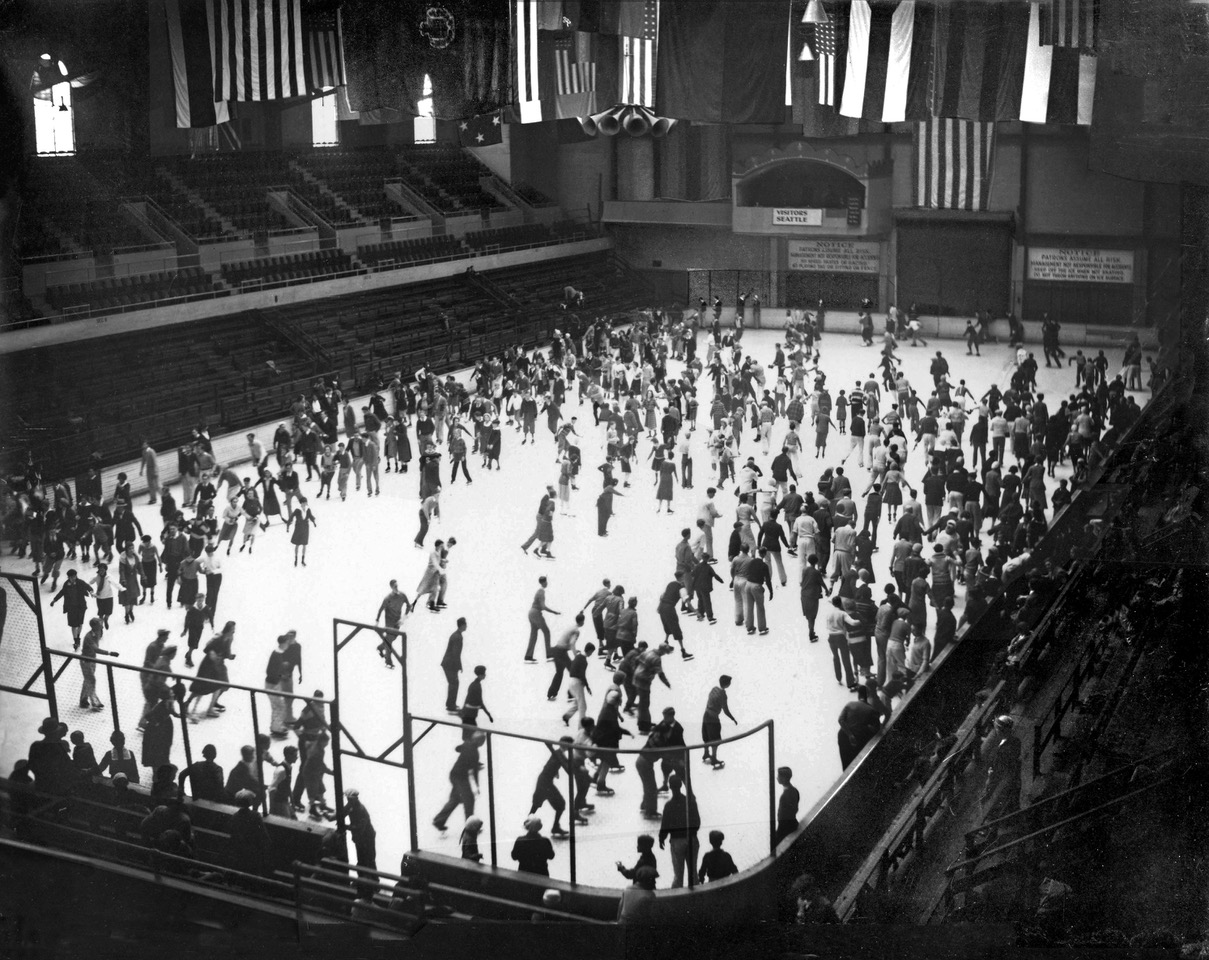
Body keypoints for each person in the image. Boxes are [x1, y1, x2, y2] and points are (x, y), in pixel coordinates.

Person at [658, 772, 700, 889]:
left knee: (678, 875)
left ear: (670, 787)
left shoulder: (669, 805)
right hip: (691, 839)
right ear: (681, 785)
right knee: (693, 874)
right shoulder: (690, 802)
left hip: (677, 841)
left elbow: (665, 825)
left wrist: (662, 838)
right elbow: (697, 821)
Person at [837, 686, 883, 769]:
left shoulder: (850, 704)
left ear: (859, 695)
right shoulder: (871, 710)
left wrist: (850, 734)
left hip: (843, 736)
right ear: (868, 695)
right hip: (859, 738)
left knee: (845, 759)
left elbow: (841, 720)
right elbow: (877, 728)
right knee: (856, 761)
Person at [49, 568, 93, 648]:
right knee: (73, 625)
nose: (73, 578)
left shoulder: (80, 582)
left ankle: (78, 637)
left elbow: (88, 587)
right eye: (71, 577)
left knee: (80, 623)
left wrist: (91, 592)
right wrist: (54, 600)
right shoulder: (66, 584)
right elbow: (61, 592)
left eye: (74, 576)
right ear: (68, 577)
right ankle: (75, 640)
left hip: (81, 606)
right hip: (71, 608)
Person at [701, 676, 736, 768]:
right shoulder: (723, 695)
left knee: (707, 735)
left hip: (706, 714)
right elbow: (726, 710)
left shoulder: (714, 689)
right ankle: (713, 758)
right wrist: (733, 718)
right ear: (727, 684)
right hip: (713, 717)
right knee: (715, 739)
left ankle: (706, 753)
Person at [523, 576, 560, 663]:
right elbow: (543, 606)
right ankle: (549, 655)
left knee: (533, 635)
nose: (547, 583)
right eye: (546, 582)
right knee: (546, 632)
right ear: (544, 582)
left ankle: (528, 656)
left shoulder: (538, 591)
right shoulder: (541, 592)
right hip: (536, 613)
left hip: (531, 613)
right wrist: (554, 612)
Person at [375, 580, 410, 668]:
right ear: (391, 587)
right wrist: (377, 621)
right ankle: (388, 662)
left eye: (397, 586)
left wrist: (404, 618)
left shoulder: (402, 595)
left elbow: (409, 606)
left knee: (392, 638)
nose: (396, 588)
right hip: (389, 622)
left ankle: (380, 647)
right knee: (389, 641)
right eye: (394, 587)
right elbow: (380, 609)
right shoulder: (387, 598)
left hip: (397, 622)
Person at [441, 618, 466, 713]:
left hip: (448, 663)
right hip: (450, 664)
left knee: (453, 683)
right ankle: (451, 705)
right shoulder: (458, 637)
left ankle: (450, 704)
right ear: (462, 625)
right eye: (465, 624)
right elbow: (456, 653)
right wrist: (459, 666)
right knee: (454, 683)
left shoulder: (457, 635)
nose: (466, 626)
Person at [772, 766, 800, 847]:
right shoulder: (795, 791)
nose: (777, 778)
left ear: (783, 778)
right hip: (793, 824)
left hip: (785, 828)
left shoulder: (785, 795)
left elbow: (782, 816)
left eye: (778, 776)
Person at [285, 497, 317, 566]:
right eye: (305, 502)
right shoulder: (297, 510)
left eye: (306, 502)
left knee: (304, 545)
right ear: (302, 503)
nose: (306, 504)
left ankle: (302, 560)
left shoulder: (308, 510)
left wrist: (314, 522)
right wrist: (288, 525)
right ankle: (296, 559)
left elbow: (310, 516)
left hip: (305, 529)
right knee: (297, 544)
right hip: (298, 529)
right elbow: (291, 517)